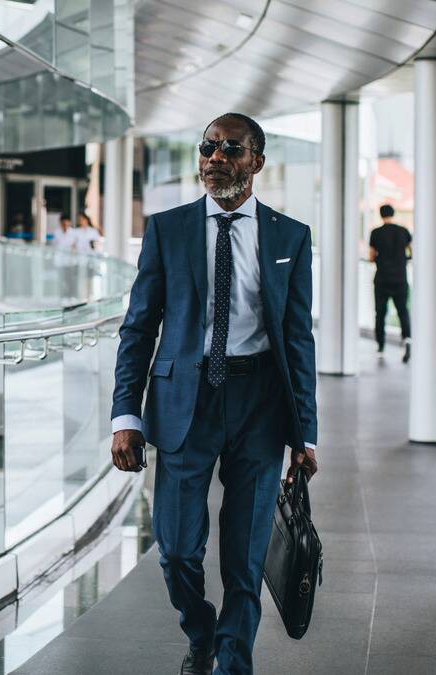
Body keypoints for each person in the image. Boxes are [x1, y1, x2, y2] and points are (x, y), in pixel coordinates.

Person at [110, 113, 318, 675]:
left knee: (245, 560)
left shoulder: (289, 237)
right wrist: (125, 414)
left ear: (256, 162)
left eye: (231, 148)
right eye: (208, 147)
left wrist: (306, 434)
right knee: (177, 550)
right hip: (185, 403)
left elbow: (297, 339)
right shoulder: (167, 229)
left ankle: (232, 663)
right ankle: (202, 633)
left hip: (261, 407)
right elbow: (138, 328)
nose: (215, 157)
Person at [368, 204, 412, 362]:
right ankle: (407, 339)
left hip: (382, 279)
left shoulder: (376, 233)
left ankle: (380, 346)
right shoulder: (403, 231)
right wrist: (404, 259)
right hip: (400, 278)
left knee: (380, 313)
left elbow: (371, 256)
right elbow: (411, 250)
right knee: (403, 311)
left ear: (381, 215)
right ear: (393, 214)